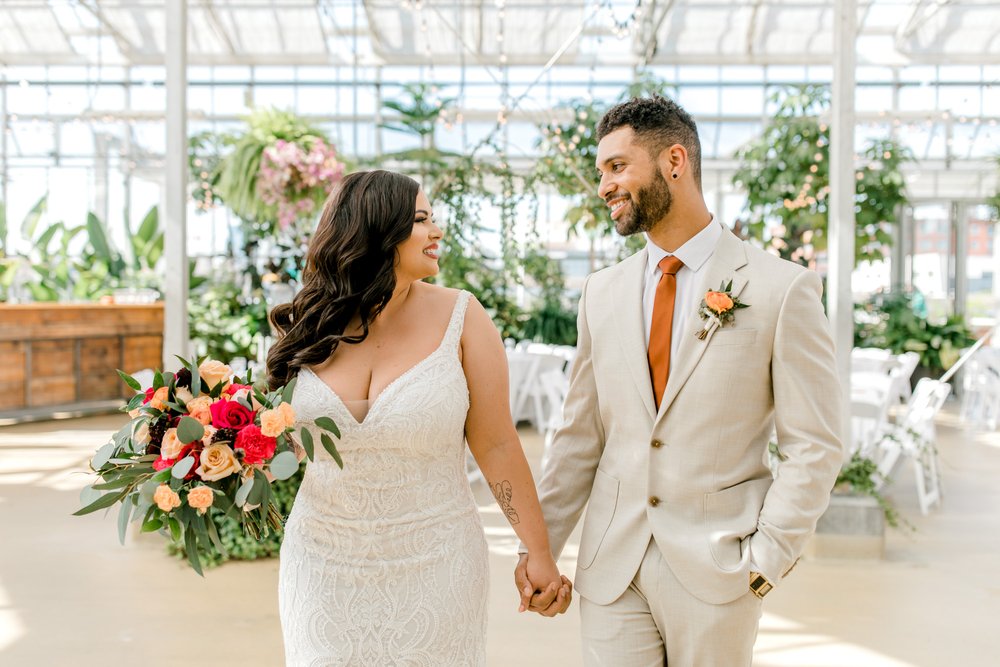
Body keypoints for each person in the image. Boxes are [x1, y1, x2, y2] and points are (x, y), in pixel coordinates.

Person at [515, 95, 845, 666]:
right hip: (610, 569)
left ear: (675, 161)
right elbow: (578, 437)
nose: (603, 187)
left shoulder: (779, 288)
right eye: (601, 172)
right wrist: (541, 548)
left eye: (617, 167)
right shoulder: (602, 291)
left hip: (719, 570)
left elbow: (815, 444)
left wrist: (766, 562)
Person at [268, 170, 570, 666]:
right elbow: (286, 444)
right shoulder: (313, 322)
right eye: (422, 220)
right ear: (377, 230)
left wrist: (537, 551)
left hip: (438, 562)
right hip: (320, 564)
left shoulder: (464, 317)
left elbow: (496, 444)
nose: (438, 231)